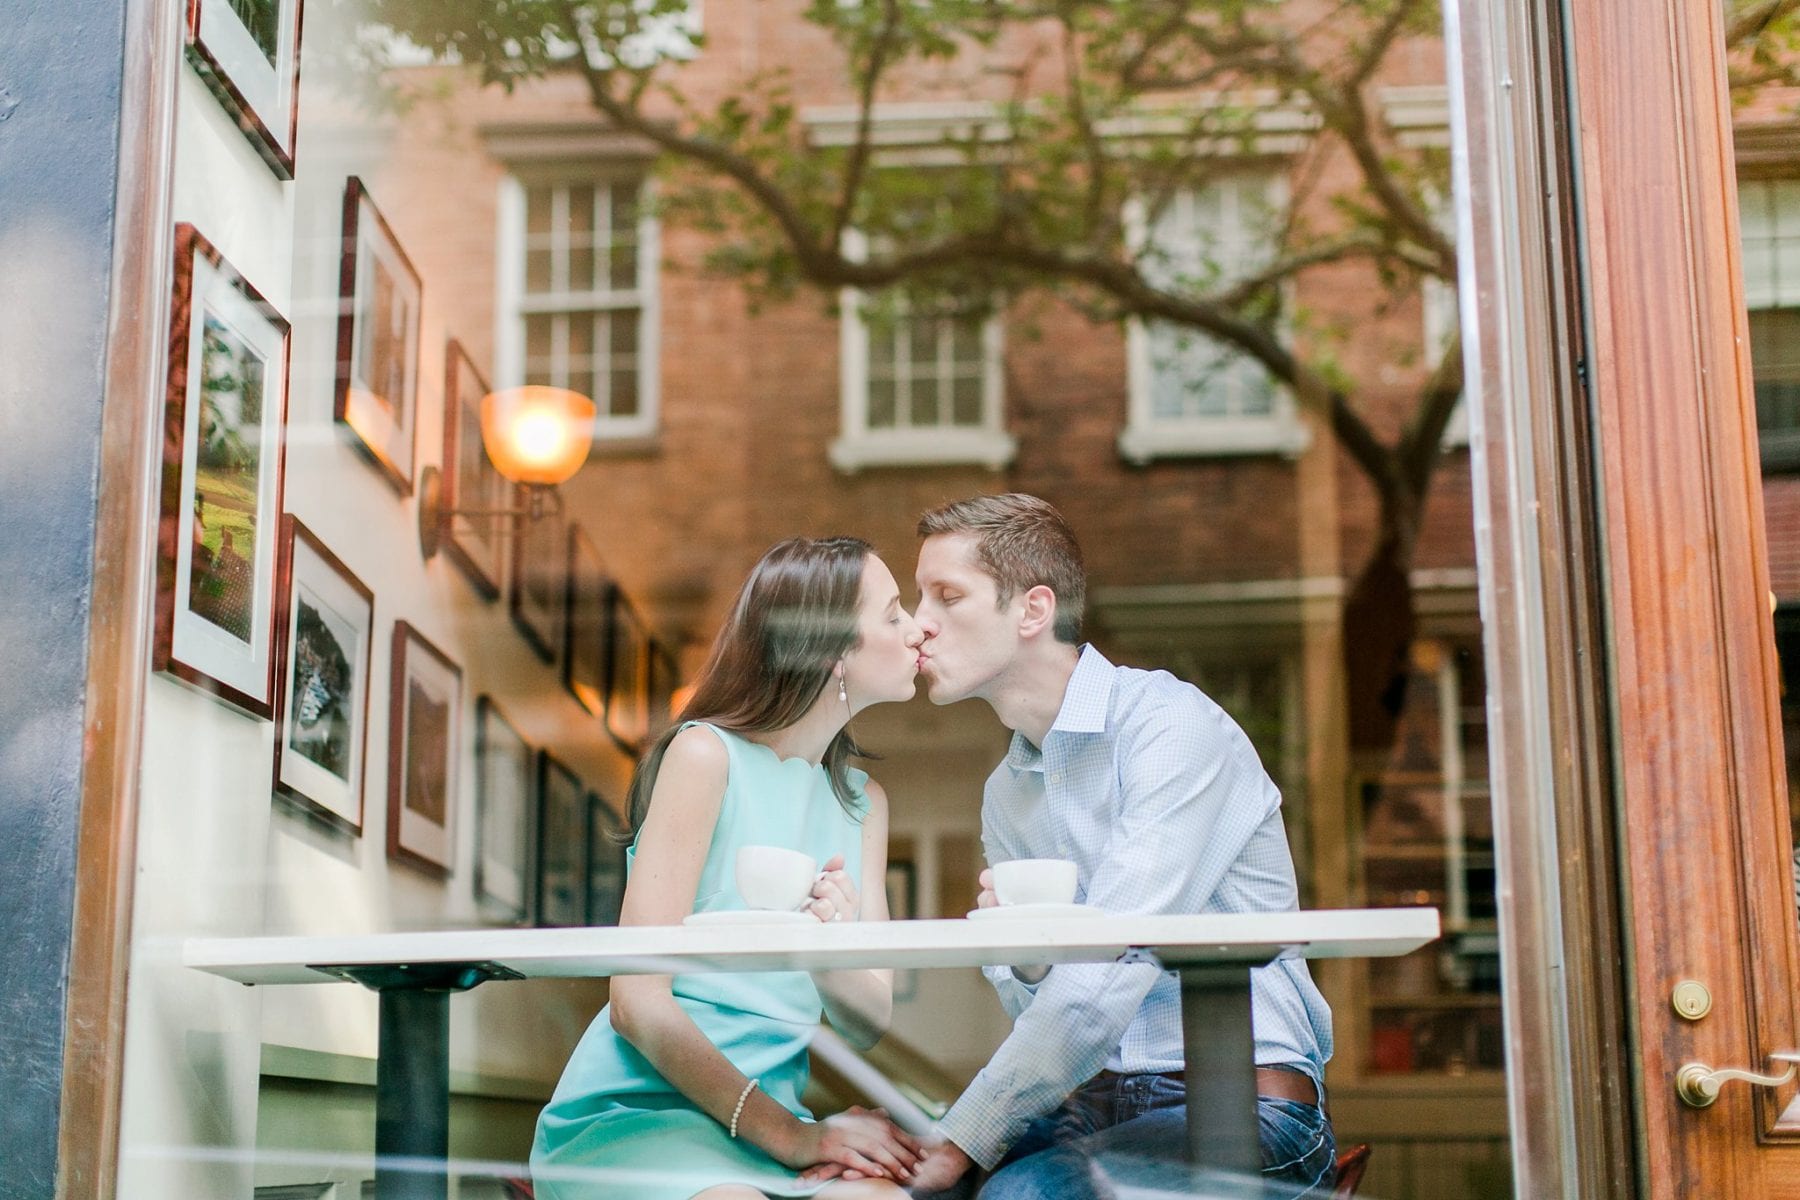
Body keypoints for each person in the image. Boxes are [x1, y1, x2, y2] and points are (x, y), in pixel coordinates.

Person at [903, 494, 1337, 1199]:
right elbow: (1050, 1011)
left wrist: (961, 1137)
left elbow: (1106, 978)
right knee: (889, 1190)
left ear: (1032, 612)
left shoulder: (1169, 728)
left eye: (946, 596)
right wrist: (1034, 961)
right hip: (1089, 1111)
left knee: (1018, 1197)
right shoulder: (1008, 789)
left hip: (1245, 1107)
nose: (919, 624)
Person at [531, 537, 928, 1200]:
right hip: (642, 1118)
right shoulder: (704, 758)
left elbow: (868, 1019)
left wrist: (825, 952)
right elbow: (636, 1002)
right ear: (830, 649)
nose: (916, 630)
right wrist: (792, 1137)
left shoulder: (864, 805)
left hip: (770, 1125)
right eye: (892, 615)